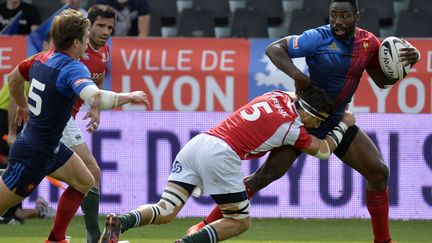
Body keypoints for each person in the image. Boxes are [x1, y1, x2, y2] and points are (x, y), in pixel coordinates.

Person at [186, 1, 422, 243]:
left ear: (356, 17)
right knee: (264, 177)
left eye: (345, 15)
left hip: (336, 119)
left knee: (379, 173)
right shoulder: (317, 38)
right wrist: (299, 77)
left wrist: (408, 63)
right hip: (307, 119)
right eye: (334, 15)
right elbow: (274, 49)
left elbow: (382, 81)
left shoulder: (368, 43)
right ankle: (203, 225)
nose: (338, 21)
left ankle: (383, 241)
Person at [99, 86, 356, 243]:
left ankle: (122, 221)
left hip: (198, 144)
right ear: (309, 113)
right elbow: (322, 150)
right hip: (222, 154)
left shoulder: (276, 95)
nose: (317, 126)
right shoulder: (292, 127)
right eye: (318, 121)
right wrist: (344, 123)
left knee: (165, 210)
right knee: (239, 221)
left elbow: (297, 95)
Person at [0, 8, 149, 243]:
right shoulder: (73, 67)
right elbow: (96, 97)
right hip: (34, 154)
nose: (91, 39)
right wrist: (128, 96)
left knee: (85, 180)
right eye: (88, 33)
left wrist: (22, 104)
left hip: (51, 147)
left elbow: (13, 78)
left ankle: (56, 238)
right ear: (77, 41)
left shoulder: (42, 57)